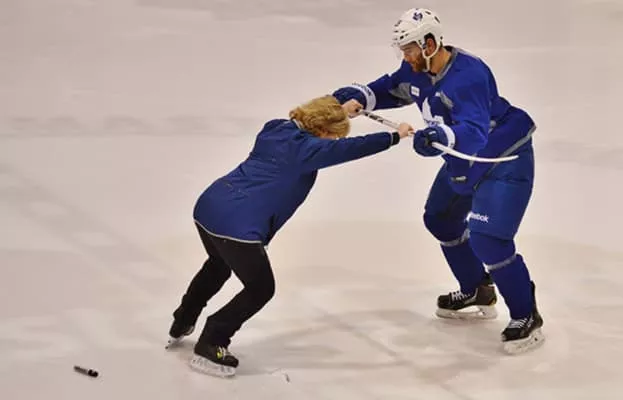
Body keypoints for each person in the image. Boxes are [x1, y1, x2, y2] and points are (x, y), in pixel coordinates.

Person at [333, 8, 543, 354]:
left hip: (501, 158)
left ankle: (526, 315)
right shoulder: (418, 67)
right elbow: (394, 88)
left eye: (410, 49)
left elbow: (474, 133)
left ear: (429, 44)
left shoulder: (468, 76)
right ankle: (477, 288)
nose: (406, 57)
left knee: (489, 241)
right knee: (441, 219)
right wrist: (359, 95)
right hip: (465, 156)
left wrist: (439, 136)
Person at [166, 94, 413, 377]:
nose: (333, 141)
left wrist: (341, 112)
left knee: (218, 265)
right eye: (332, 136)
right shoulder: (308, 150)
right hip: (237, 227)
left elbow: (318, 113)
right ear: (323, 131)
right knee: (260, 289)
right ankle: (212, 341)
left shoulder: (275, 128)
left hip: (209, 208)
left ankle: (182, 320)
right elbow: (350, 148)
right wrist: (395, 136)